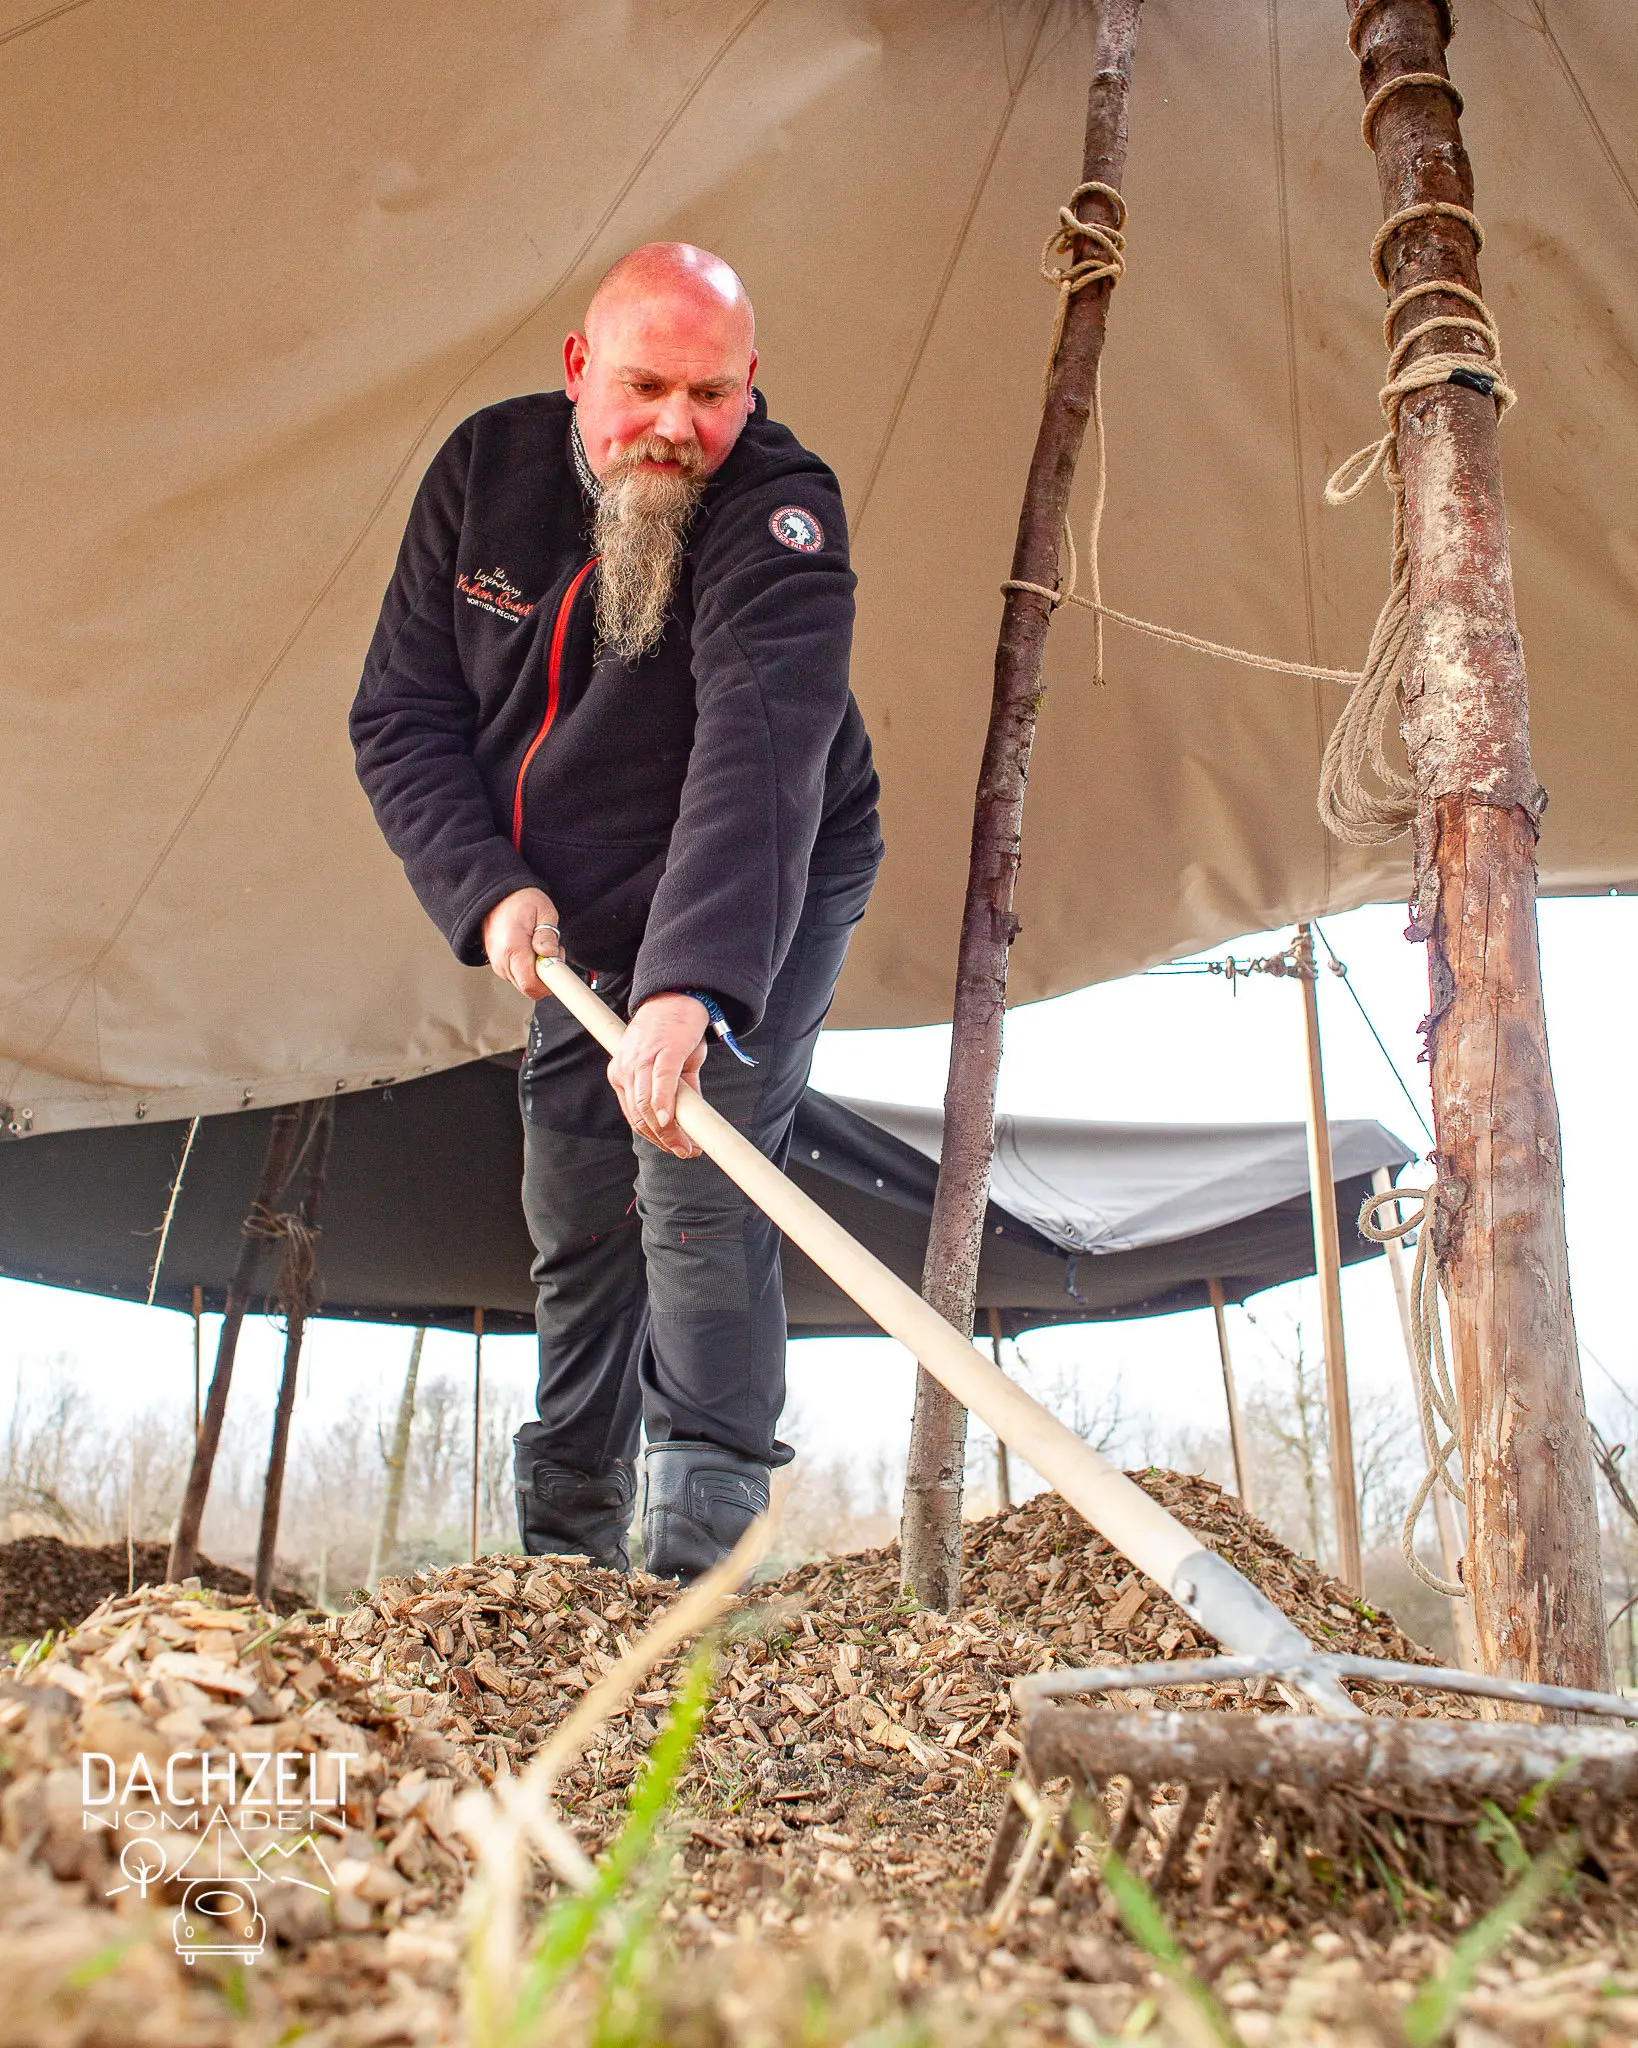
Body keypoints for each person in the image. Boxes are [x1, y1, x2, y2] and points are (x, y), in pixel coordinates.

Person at [351, 243, 881, 1579]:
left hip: (763, 872)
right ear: (581, 370)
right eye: (645, 387)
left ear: (747, 389)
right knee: (576, 1195)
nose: (675, 428)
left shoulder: (782, 515)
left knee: (692, 1178)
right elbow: (400, 717)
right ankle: (565, 1553)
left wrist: (688, 990)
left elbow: (762, 756)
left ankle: (687, 1570)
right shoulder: (485, 474)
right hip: (571, 898)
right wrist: (486, 890)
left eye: (710, 396)